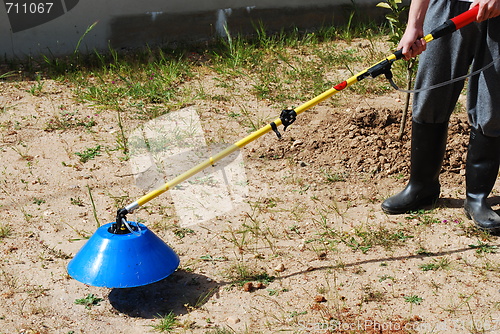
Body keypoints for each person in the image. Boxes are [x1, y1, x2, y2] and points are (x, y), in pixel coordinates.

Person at [381, 0, 500, 235]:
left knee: (492, 104)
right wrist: (414, 25)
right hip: (447, 5)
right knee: (429, 94)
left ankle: (476, 198)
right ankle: (422, 186)